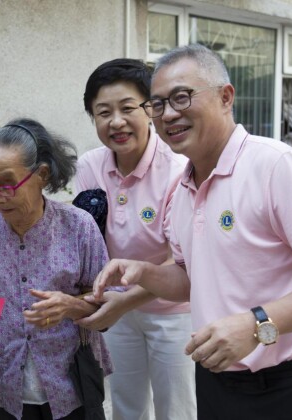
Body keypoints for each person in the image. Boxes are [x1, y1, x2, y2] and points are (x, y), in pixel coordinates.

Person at [93, 43, 292, 420]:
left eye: (181, 98)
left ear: (225, 97)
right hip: (217, 383)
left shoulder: (276, 167)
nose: (169, 114)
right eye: (158, 104)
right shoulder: (183, 189)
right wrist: (145, 272)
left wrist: (257, 325)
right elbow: (190, 279)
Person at [0, 118, 113, 420]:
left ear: (40, 174)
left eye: (6, 184)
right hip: (4, 387)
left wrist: (71, 306)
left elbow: (107, 307)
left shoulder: (78, 227)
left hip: (70, 387)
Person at [73, 58, 195, 420]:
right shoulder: (89, 166)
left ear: (151, 110)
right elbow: (82, 235)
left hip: (174, 311)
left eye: (128, 108)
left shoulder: (178, 169)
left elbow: (183, 258)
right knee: (126, 405)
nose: (116, 122)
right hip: (117, 307)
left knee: (177, 408)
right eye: (102, 112)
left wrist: (126, 301)